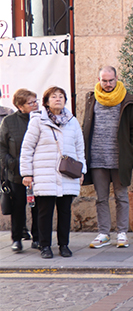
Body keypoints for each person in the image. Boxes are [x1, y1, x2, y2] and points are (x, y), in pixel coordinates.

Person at [20, 87, 86, 259]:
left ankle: (64, 245)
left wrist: (82, 170)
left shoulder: (72, 122)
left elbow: (80, 148)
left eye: (61, 96)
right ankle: (45, 246)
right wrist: (27, 173)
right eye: (54, 97)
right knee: (44, 212)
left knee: (65, 211)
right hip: (44, 173)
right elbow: (27, 148)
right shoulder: (37, 121)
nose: (58, 99)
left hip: (67, 174)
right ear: (46, 102)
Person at [82, 66, 133, 249]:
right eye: (104, 80)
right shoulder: (92, 98)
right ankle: (103, 234)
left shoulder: (128, 99)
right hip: (97, 157)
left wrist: (132, 151)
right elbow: (86, 124)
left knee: (121, 196)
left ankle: (122, 233)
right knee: (101, 198)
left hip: (120, 157)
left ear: (117, 78)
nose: (107, 84)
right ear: (99, 80)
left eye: (110, 80)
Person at [0, 89, 40, 251]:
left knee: (38, 207)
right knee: (18, 207)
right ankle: (17, 239)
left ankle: (38, 238)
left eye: (35, 101)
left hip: (37, 172)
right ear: (20, 106)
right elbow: (1, 147)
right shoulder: (9, 122)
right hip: (16, 173)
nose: (35, 105)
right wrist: (11, 163)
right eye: (30, 103)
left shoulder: (41, 119)